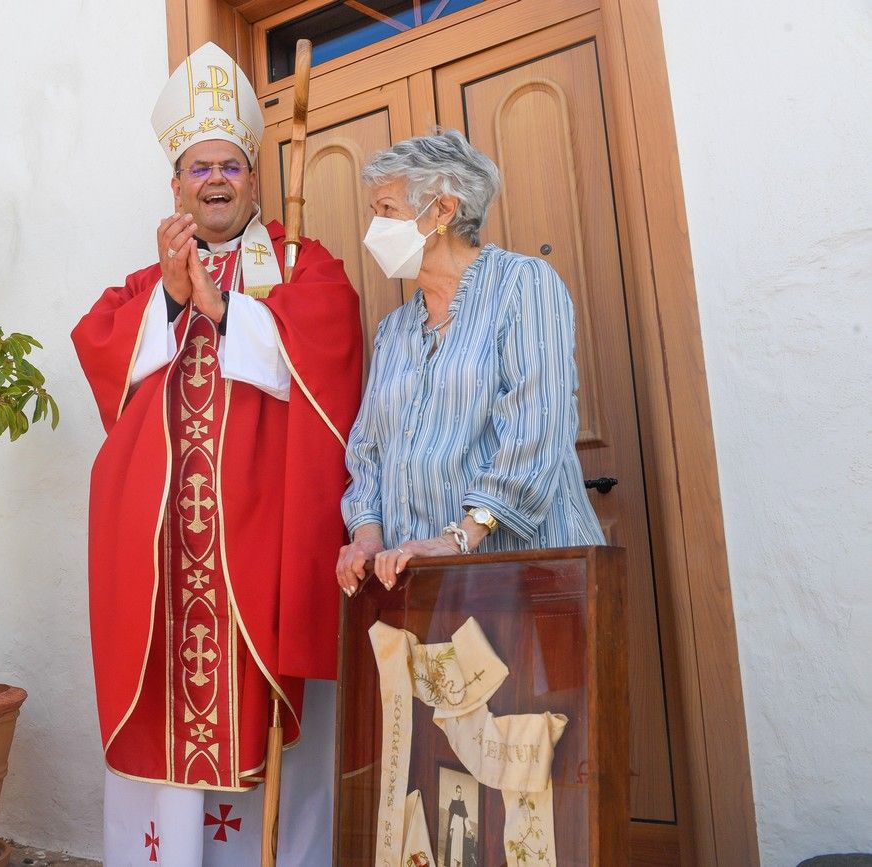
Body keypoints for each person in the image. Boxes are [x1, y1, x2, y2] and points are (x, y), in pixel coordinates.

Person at [72, 42, 363, 864]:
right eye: (198, 167)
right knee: (165, 720)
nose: (214, 180)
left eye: (229, 165)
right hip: (167, 561)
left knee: (270, 734)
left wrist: (233, 309)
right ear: (175, 184)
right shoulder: (145, 284)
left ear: (252, 178)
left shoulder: (304, 269)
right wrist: (171, 298)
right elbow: (105, 361)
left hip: (259, 554)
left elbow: (332, 365)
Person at [336, 129, 604, 595]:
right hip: (422, 584)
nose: (373, 229)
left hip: (528, 574)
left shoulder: (524, 285)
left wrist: (459, 537)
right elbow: (368, 449)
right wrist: (367, 535)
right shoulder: (394, 330)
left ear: (442, 210)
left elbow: (536, 425)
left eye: (387, 211)